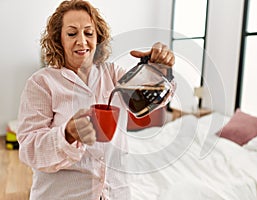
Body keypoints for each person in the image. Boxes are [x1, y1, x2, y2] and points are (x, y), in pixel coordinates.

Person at [16, 0, 175, 199]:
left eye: (89, 33)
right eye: (72, 33)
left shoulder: (113, 74)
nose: (82, 41)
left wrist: (157, 70)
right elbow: (29, 150)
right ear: (59, 39)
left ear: (98, 37)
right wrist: (67, 134)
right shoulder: (42, 83)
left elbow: (151, 97)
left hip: (116, 193)